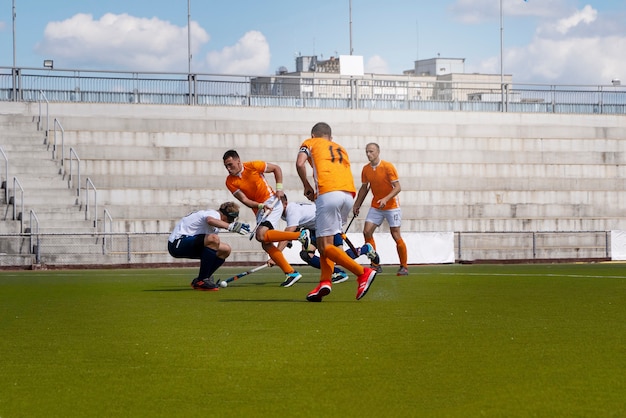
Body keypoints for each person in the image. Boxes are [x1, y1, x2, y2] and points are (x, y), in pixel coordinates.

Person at [296, 122, 378, 302]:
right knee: (326, 242)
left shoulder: (311, 142)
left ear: (313, 135)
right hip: (347, 195)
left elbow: (300, 163)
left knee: (324, 246)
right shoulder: (340, 148)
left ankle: (362, 273)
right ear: (330, 137)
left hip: (328, 193)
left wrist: (306, 185)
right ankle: (325, 282)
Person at [223, 149, 303, 287]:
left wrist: (279, 188)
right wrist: (260, 206)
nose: (229, 168)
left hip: (272, 201)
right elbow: (245, 200)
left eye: (231, 164)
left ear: (238, 161)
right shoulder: (230, 181)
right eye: (226, 166)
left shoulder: (253, 166)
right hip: (260, 208)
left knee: (260, 235)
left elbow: (276, 169)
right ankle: (291, 272)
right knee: (265, 243)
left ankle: (299, 235)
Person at [272, 194, 379, 284]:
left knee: (340, 257)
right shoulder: (284, 213)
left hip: (329, 223)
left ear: (285, 203)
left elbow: (287, 233)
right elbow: (294, 228)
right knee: (306, 255)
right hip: (316, 228)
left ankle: (366, 249)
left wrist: (275, 256)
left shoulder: (291, 211)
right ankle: (336, 272)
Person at [353, 143, 409, 276]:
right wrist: (357, 204)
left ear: (378, 152)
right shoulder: (366, 169)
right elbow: (364, 188)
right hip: (376, 206)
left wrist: (386, 199)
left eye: (371, 151)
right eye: (367, 152)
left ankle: (404, 266)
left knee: (395, 234)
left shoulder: (387, 166)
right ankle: (375, 264)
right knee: (367, 231)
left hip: (392, 206)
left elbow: (398, 187)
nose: (368, 154)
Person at [168, 201, 250, 291]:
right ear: (224, 215)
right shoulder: (213, 214)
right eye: (231, 219)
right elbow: (210, 220)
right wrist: (230, 226)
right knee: (214, 239)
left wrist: (230, 226)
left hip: (189, 243)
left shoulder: (216, 223)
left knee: (225, 250)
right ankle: (202, 280)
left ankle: (203, 278)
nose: (232, 221)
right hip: (177, 244)